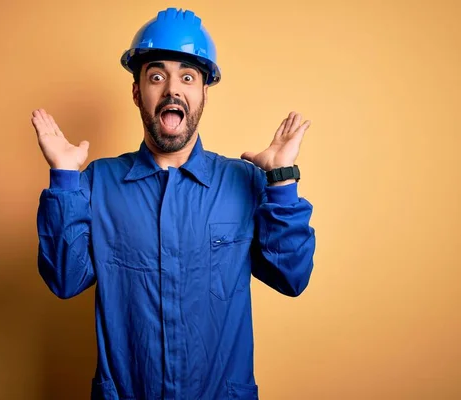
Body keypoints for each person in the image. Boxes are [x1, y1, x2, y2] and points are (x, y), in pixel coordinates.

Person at [31, 7, 315, 400]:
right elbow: (64, 279)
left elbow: (292, 278)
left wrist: (281, 181)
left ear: (202, 94)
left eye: (187, 77)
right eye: (157, 76)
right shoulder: (98, 183)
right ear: (137, 92)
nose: (172, 90)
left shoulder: (244, 182)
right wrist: (64, 178)